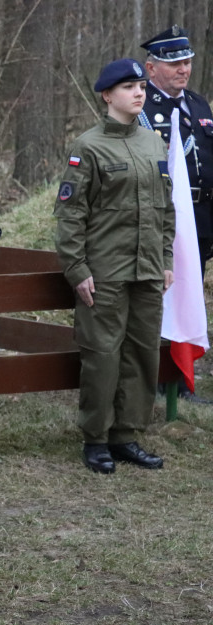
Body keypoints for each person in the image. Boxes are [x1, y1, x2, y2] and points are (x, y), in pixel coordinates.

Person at [54, 58, 175, 474]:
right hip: (104, 272)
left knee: (142, 354)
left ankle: (126, 436)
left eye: (141, 86)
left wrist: (166, 260)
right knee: (102, 356)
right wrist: (77, 269)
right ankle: (96, 439)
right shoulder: (88, 146)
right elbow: (71, 214)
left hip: (147, 270)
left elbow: (166, 210)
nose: (139, 93)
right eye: (128, 87)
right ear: (107, 95)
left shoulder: (153, 144)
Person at [139, 25, 213, 403]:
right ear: (151, 68)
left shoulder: (198, 105)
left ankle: (180, 380)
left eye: (187, 62)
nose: (183, 69)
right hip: (161, 219)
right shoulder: (141, 108)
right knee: (160, 295)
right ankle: (156, 378)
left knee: (189, 291)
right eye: (174, 64)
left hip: (201, 216)